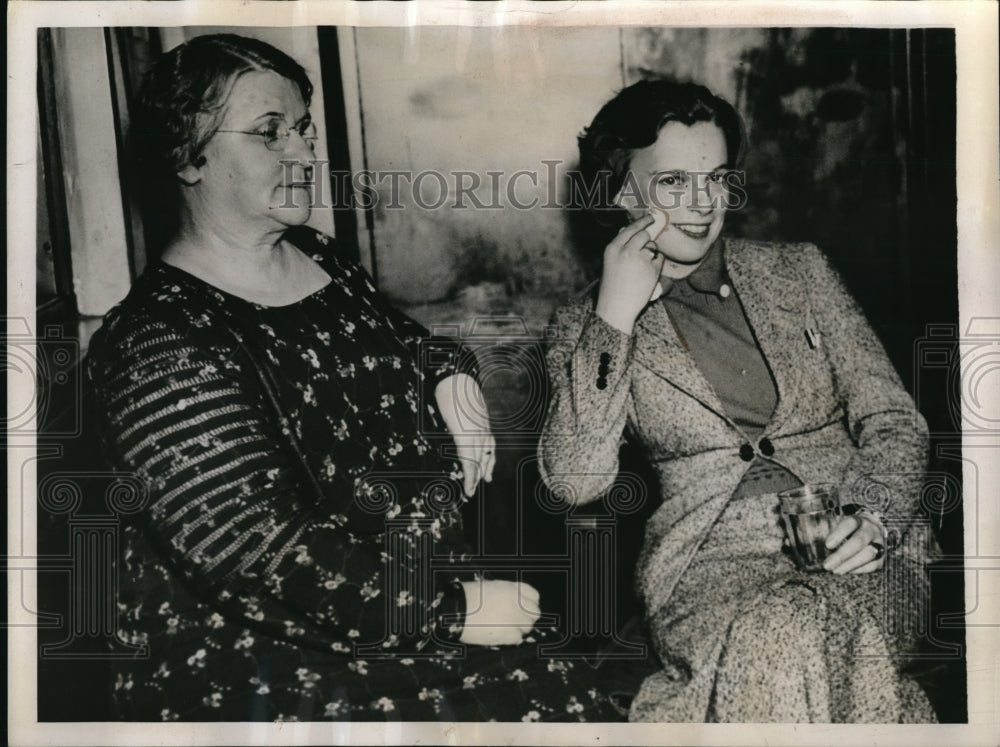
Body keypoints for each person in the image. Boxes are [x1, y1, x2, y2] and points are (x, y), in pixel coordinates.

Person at [86, 33, 631, 722]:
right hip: (279, 657)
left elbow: (399, 340)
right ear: (184, 158)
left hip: (408, 613)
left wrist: (446, 369)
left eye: (305, 128)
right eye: (269, 132)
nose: (304, 151)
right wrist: (450, 608)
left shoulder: (317, 256)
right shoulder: (156, 344)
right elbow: (263, 553)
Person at [538, 78, 938, 722]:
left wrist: (874, 518)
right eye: (672, 183)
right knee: (786, 637)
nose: (702, 204)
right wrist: (614, 315)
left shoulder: (799, 272)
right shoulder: (581, 330)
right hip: (710, 564)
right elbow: (574, 480)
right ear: (620, 191)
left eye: (717, 179)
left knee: (795, 633)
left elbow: (894, 419)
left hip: (859, 543)